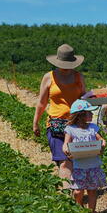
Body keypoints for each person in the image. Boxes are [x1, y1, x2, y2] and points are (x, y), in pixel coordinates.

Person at [32, 44, 90, 189]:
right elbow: (41, 102)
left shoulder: (78, 77)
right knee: (64, 162)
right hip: (55, 125)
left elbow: (85, 98)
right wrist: (35, 123)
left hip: (76, 124)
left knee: (74, 161)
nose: (66, 67)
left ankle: (73, 193)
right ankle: (67, 200)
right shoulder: (49, 77)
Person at [62, 99, 107, 213]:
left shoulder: (93, 127)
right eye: (89, 113)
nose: (92, 114)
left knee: (92, 191)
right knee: (78, 192)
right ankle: (80, 208)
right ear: (81, 115)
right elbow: (66, 143)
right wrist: (66, 149)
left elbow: (101, 139)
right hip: (79, 166)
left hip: (93, 165)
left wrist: (102, 144)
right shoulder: (71, 129)